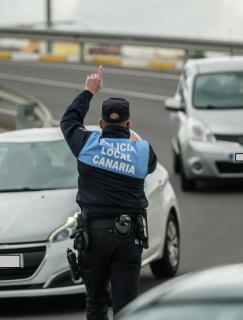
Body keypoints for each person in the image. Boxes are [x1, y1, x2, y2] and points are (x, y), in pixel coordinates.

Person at [60, 65, 157, 320]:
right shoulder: (142, 151)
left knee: (96, 302)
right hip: (128, 237)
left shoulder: (87, 144)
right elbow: (150, 164)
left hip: (94, 238)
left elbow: (68, 121)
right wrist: (131, 141)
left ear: (101, 124)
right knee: (127, 307)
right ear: (128, 124)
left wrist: (88, 92)